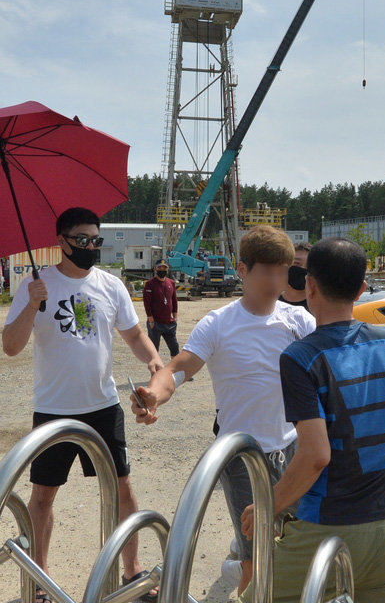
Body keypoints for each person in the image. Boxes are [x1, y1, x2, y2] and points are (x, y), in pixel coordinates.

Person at [240, 237, 385, 603]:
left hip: (325, 530)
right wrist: (384, 453)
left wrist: (268, 505)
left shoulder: (300, 357)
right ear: (362, 289)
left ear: (310, 286)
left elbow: (316, 455)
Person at [131, 225, 316, 594]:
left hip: (293, 449)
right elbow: (178, 369)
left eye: (282, 272)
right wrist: (153, 395)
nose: (276, 282)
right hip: (243, 457)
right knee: (254, 558)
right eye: (267, 272)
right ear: (242, 270)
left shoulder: (299, 321)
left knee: (297, 545)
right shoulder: (218, 324)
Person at [2, 207, 164, 603]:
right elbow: (11, 346)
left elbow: (134, 334)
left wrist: (153, 361)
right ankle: (39, 579)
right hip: (53, 409)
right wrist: (31, 305)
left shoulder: (111, 285)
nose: (91, 246)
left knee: (122, 488)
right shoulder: (35, 285)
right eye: (83, 240)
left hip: (103, 406)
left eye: (96, 240)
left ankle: (132, 569)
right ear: (62, 241)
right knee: (43, 496)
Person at [143, 259, 179, 359]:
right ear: (155, 269)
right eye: (160, 268)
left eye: (164, 268)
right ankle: (155, 368)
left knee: (175, 348)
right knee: (153, 350)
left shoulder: (171, 283)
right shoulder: (150, 284)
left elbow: (174, 300)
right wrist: (150, 319)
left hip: (169, 323)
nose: (162, 270)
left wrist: (175, 317)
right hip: (155, 323)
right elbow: (146, 303)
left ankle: (174, 368)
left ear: (168, 269)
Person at [278, 242, 311, 310]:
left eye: (309, 266)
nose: (303, 268)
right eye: (296, 263)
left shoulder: (319, 307)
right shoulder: (271, 301)